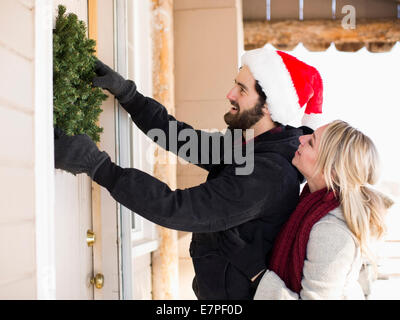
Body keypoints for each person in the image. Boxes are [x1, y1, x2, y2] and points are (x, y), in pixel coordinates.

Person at [54, 44, 324, 299]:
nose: (230, 93)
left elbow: (179, 208)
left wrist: (100, 167)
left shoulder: (269, 174)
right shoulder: (253, 143)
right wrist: (128, 95)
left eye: (241, 89)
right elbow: (181, 139)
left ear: (268, 106)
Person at [254, 120, 393, 300]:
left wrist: (257, 275)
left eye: (311, 142)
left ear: (332, 171)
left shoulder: (333, 231)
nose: (301, 139)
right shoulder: (307, 204)